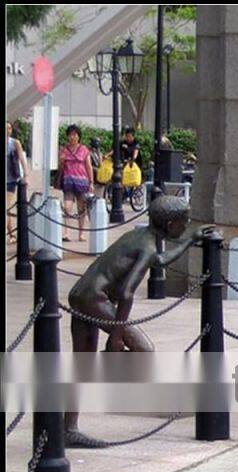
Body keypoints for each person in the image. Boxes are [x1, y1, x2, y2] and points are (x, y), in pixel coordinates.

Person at [64, 195, 213, 443]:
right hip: (94, 299)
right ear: (169, 225)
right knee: (143, 348)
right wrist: (116, 335)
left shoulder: (141, 236)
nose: (185, 226)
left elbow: (159, 261)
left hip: (81, 294)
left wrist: (189, 240)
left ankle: (68, 427)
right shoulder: (147, 245)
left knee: (83, 364)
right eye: (183, 222)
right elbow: (126, 293)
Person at [58, 124, 93, 242]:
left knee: (81, 209)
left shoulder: (84, 150)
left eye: (74, 134)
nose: (72, 137)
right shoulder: (64, 150)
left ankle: (81, 233)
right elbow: (60, 168)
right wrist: (61, 162)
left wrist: (91, 182)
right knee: (67, 207)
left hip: (82, 183)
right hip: (68, 183)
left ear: (79, 136)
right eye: (70, 135)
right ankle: (66, 232)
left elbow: (89, 167)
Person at [6, 121, 29, 244]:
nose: (7, 131)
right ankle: (11, 233)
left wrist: (26, 174)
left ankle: (11, 234)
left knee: (7, 206)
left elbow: (22, 159)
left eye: (9, 128)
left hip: (10, 180)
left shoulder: (15, 143)